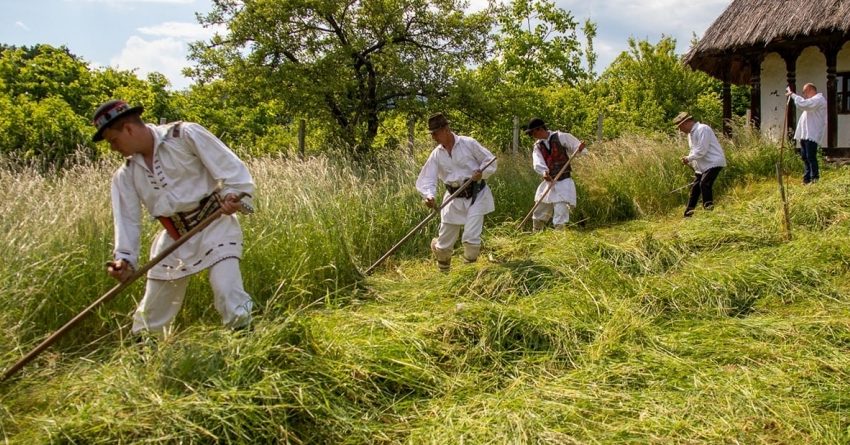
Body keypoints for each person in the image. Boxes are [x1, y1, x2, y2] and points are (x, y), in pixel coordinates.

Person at [92, 99, 255, 335]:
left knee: (227, 290)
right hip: (174, 238)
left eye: (113, 141)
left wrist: (232, 195)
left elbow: (235, 172)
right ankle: (145, 359)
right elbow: (127, 220)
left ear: (128, 129)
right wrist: (124, 261)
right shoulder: (126, 175)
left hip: (216, 226)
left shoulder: (184, 135)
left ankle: (248, 352)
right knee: (152, 312)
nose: (113, 148)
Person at [416, 113, 497, 272]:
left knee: (471, 238)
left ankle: (467, 276)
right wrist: (429, 196)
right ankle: (444, 275)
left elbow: (490, 161)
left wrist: (481, 173)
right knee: (444, 243)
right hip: (452, 198)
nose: (433, 137)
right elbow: (427, 178)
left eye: (435, 133)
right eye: (431, 134)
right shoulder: (437, 154)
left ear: (446, 129)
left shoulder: (468, 143)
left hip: (476, 195)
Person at [525, 117, 585, 231]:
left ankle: (559, 242)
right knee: (538, 214)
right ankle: (535, 238)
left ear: (539, 129)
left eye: (532, 132)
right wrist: (544, 172)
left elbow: (577, 148)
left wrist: (580, 149)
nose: (532, 136)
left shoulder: (561, 137)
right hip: (549, 183)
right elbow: (537, 162)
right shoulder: (537, 146)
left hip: (564, 182)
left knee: (560, 215)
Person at [672, 112, 727, 217]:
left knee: (704, 184)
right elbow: (694, 150)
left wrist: (689, 158)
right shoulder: (691, 134)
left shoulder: (702, 129)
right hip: (702, 166)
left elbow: (702, 150)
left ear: (687, 123)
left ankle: (709, 212)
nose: (680, 130)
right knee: (695, 189)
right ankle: (688, 215)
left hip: (713, 162)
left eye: (680, 127)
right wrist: (688, 159)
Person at [786, 83, 827, 185]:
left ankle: (814, 178)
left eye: (804, 92)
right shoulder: (813, 101)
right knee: (805, 157)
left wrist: (793, 95)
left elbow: (804, 104)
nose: (804, 94)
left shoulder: (818, 99)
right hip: (805, 134)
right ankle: (806, 179)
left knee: (811, 156)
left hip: (812, 133)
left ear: (810, 89)